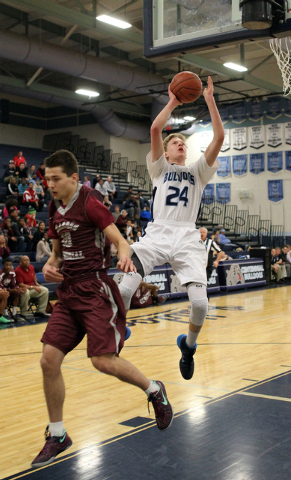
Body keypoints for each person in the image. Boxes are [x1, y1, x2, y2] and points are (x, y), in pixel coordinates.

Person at [31, 149, 173, 469]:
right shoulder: (55, 207)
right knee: (48, 359)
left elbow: (119, 240)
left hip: (94, 289)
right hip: (68, 293)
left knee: (102, 360)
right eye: (47, 179)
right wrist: (51, 266)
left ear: (74, 178)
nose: (50, 184)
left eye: (56, 179)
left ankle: (154, 391)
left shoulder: (90, 201)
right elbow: (56, 255)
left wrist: (124, 255)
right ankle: (57, 434)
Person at [118, 76, 224, 380]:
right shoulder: (159, 169)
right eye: (175, 142)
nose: (180, 144)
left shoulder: (198, 171)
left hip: (187, 236)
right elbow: (155, 129)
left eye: (183, 143)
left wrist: (209, 99)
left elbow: (218, 137)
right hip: (159, 233)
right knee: (125, 286)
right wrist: (174, 100)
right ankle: (119, 330)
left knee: (201, 305)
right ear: (165, 153)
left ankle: (188, 346)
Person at [0, 258, 25, 322]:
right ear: (3, 265)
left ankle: (14, 314)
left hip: (9, 290)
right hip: (2, 290)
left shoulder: (12, 272)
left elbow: (13, 284)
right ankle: (5, 314)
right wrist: (11, 290)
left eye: (10, 265)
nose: (8, 267)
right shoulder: (1, 273)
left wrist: (17, 288)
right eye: (6, 265)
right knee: (5, 294)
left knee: (17, 293)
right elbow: (1, 287)